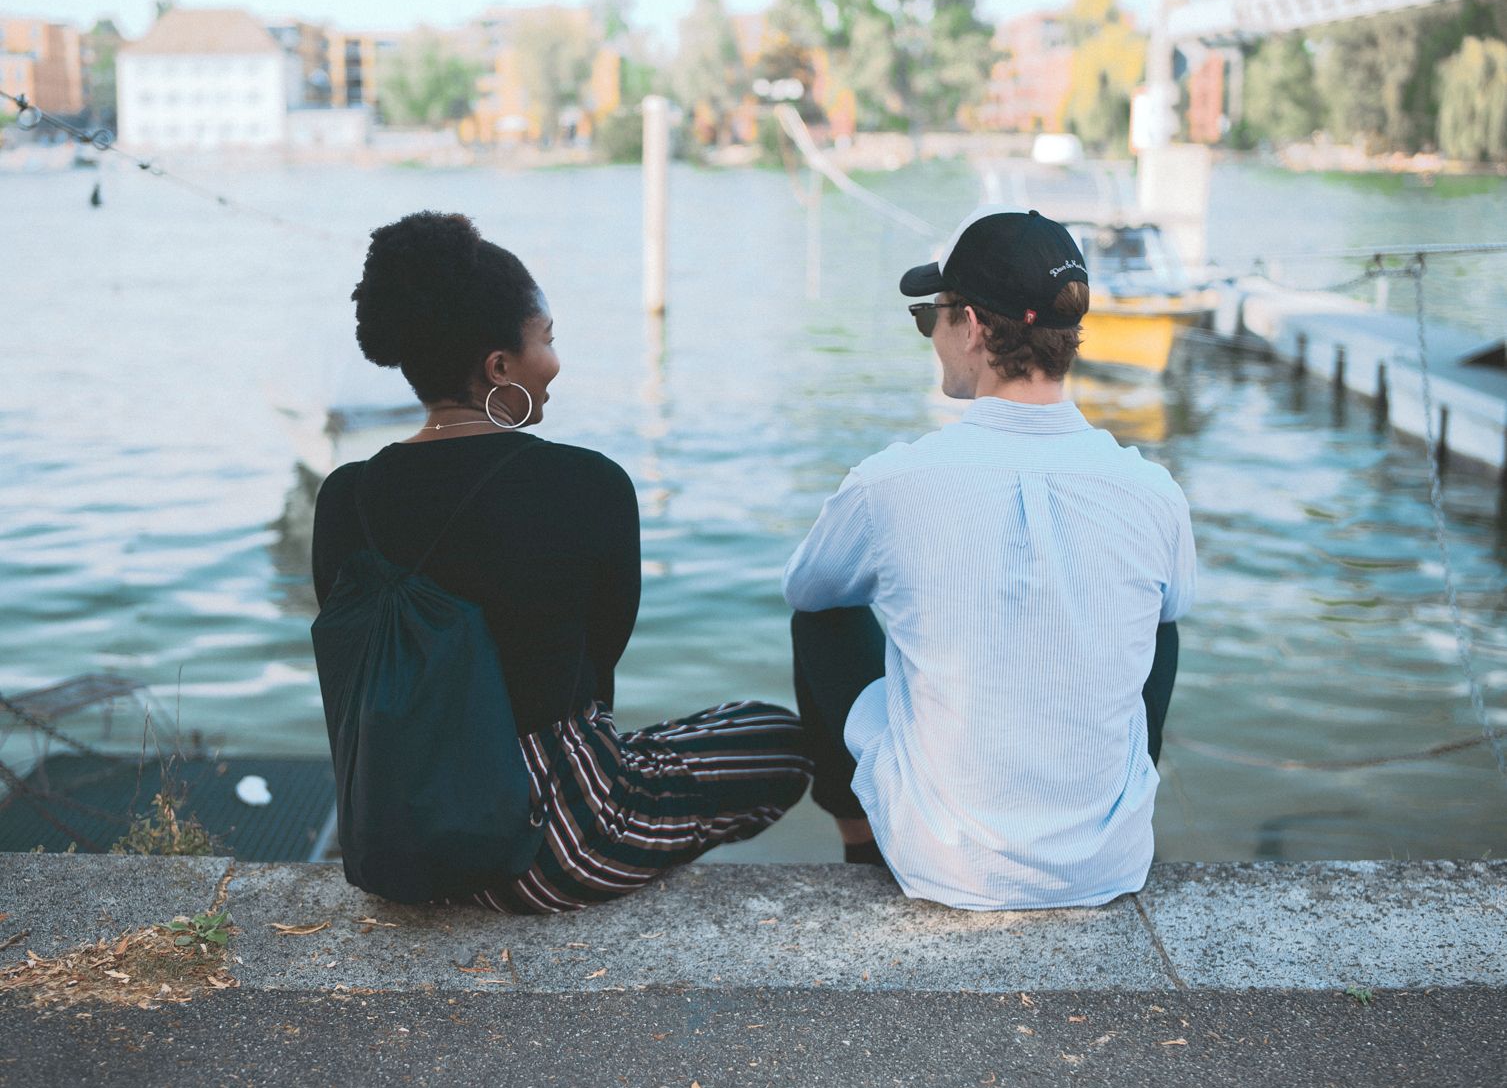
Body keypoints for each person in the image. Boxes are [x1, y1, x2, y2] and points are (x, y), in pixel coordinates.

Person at [312, 210, 811, 913]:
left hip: (399, 842)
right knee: (777, 738)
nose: (555, 359)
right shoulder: (588, 484)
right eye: (546, 339)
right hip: (553, 847)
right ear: (499, 366)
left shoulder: (344, 498)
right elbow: (596, 665)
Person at [783, 208, 1195, 912]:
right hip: (1110, 866)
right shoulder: (1152, 490)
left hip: (945, 865)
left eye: (930, 317)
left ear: (970, 326)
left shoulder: (891, 484)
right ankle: (1097, 817)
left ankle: (859, 840)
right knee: (1157, 626)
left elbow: (807, 589)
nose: (931, 336)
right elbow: (1170, 614)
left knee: (821, 615)